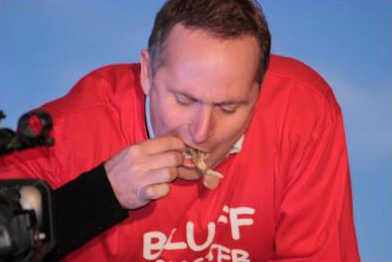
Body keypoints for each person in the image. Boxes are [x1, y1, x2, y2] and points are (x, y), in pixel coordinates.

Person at [1, 0, 360, 261]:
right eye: (184, 100)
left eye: (228, 107)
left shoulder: (303, 113)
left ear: (259, 90)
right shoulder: (60, 134)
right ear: (147, 72)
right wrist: (100, 194)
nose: (201, 132)